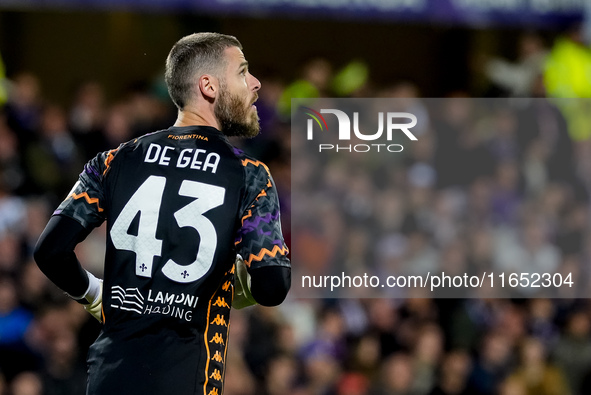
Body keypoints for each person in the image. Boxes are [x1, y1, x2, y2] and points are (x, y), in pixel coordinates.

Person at [33, 32, 291, 395]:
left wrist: (95, 296)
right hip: (186, 380)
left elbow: (50, 252)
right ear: (209, 86)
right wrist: (237, 287)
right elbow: (273, 285)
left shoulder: (114, 160)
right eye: (243, 72)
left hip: (109, 378)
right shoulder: (249, 175)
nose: (255, 83)